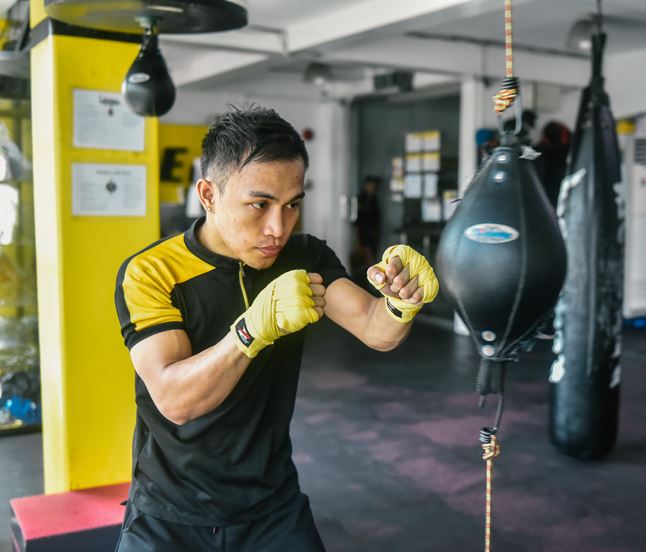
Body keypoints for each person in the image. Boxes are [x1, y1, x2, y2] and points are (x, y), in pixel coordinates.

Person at [113, 106, 439, 551]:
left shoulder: (304, 256)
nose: (277, 228)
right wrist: (251, 330)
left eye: (292, 206)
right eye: (259, 205)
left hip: (271, 505)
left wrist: (402, 301)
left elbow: (374, 328)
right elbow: (175, 400)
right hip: (169, 511)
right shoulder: (152, 271)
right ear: (208, 195)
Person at [353, 175, 381, 267]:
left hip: (372, 232)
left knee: (372, 255)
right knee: (367, 256)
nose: (373, 188)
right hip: (364, 232)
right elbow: (360, 218)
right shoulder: (361, 198)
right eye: (371, 185)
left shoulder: (373, 199)